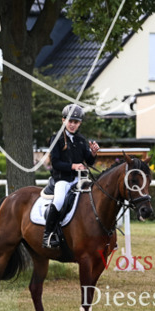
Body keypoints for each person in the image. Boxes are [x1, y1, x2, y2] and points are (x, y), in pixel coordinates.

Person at [43, 103, 99, 248]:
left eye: (76, 122)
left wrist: (93, 153)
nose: (72, 124)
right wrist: (73, 166)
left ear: (79, 123)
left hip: (78, 179)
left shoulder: (81, 140)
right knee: (59, 200)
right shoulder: (57, 139)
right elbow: (55, 163)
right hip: (62, 179)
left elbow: (89, 160)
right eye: (70, 121)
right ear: (63, 121)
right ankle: (48, 234)